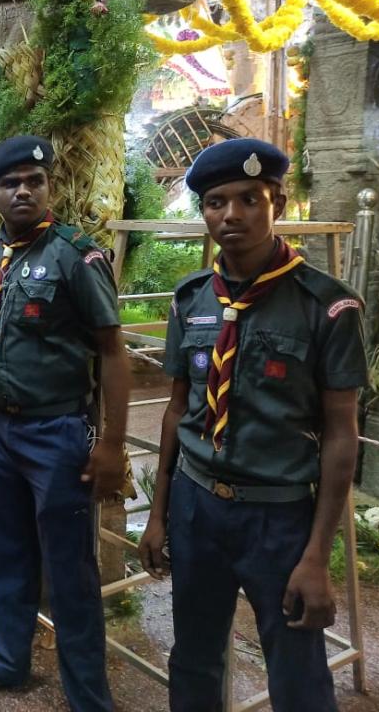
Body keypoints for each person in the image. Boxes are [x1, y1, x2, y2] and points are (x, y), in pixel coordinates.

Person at [138, 138, 367, 712]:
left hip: (278, 515)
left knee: (297, 673)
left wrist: (317, 555)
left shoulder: (326, 306)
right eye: (216, 202)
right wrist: (158, 515)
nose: (231, 215)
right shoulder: (191, 300)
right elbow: (177, 409)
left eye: (249, 199)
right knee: (192, 656)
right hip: (196, 506)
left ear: (278, 204)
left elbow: (342, 435)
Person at [0, 135, 129, 709]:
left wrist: (112, 445)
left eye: (34, 181)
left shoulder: (77, 255)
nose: (23, 190)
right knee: (7, 553)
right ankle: (8, 662)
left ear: (49, 188)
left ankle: (88, 696)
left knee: (70, 571)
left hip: (57, 434)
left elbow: (112, 351)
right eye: (9, 183)